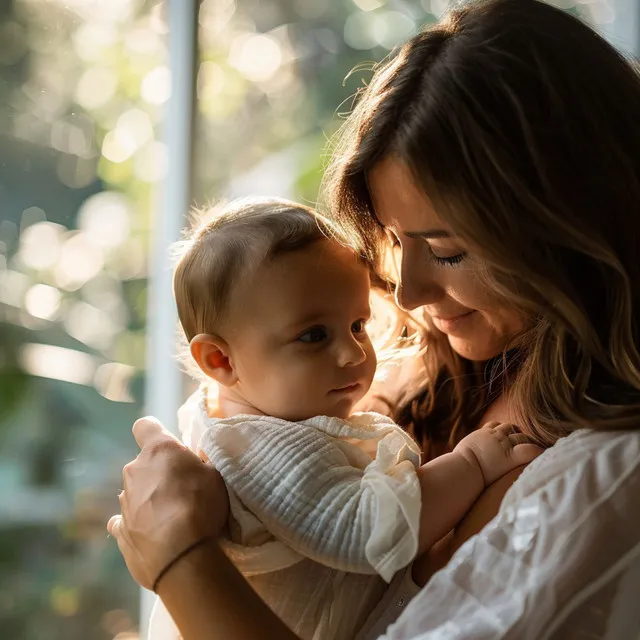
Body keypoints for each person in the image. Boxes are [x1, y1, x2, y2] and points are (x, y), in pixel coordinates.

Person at [108, 0, 640, 638]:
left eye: (447, 251)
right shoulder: (408, 382)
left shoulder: (604, 475)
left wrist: (180, 561)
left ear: (571, 224)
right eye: (395, 239)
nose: (407, 294)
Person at [147, 197, 539, 640]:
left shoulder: (269, 417)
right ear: (220, 360)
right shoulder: (257, 447)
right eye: (314, 336)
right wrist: (472, 464)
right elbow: (368, 529)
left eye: (358, 325)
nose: (354, 353)